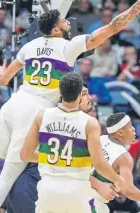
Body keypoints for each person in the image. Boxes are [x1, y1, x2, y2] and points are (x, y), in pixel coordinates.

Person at [0, 0, 140, 213]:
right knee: (7, 176)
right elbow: (113, 27)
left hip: (14, 102)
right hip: (35, 108)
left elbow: (4, 80)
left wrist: (0, 75)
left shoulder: (30, 45)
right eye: (64, 21)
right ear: (56, 29)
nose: (68, 23)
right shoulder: (69, 46)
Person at [20, 72, 124, 213]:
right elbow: (99, 164)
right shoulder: (90, 123)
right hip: (76, 191)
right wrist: (117, 179)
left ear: (60, 92)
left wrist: (56, 158)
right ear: (80, 94)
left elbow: (25, 155)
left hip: (48, 190)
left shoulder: (42, 116)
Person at [90, 113, 140, 213]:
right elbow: (128, 191)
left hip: (79, 191)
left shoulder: (100, 139)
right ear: (120, 132)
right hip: (93, 202)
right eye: (130, 126)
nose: (134, 129)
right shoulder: (124, 157)